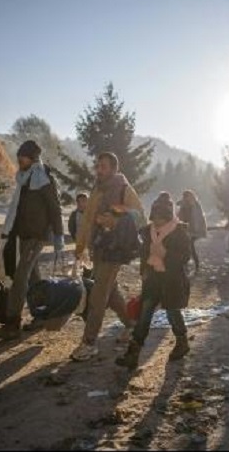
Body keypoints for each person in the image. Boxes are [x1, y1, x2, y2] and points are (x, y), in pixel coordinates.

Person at [72, 152, 146, 361]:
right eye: (98, 166)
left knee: (98, 295)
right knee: (110, 291)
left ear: (114, 168)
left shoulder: (123, 188)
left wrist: (114, 218)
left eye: (103, 166)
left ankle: (89, 343)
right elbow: (87, 220)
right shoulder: (97, 188)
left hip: (115, 250)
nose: (99, 170)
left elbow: (140, 215)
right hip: (98, 247)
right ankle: (131, 326)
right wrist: (80, 246)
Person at [0, 140, 64, 340]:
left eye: (23, 156)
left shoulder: (43, 178)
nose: (20, 159)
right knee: (34, 277)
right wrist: (8, 229)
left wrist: (59, 235)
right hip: (23, 234)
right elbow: (16, 207)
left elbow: (54, 208)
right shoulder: (23, 178)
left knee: (20, 277)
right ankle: (42, 315)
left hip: (37, 235)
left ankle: (12, 321)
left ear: (33, 157)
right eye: (19, 156)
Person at [115, 199, 191, 369]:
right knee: (144, 314)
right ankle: (133, 354)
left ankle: (182, 342)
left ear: (168, 217)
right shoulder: (147, 231)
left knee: (172, 312)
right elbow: (143, 253)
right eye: (154, 217)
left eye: (161, 218)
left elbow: (185, 256)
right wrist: (144, 270)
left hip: (172, 279)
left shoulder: (179, 232)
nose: (157, 221)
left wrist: (166, 253)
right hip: (153, 279)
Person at [177, 189, 208, 272]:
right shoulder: (184, 204)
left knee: (190, 245)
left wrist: (196, 229)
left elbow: (197, 218)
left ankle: (194, 263)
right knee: (186, 245)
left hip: (193, 228)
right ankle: (186, 262)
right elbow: (180, 214)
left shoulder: (195, 205)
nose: (185, 198)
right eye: (184, 196)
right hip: (185, 227)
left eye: (186, 196)